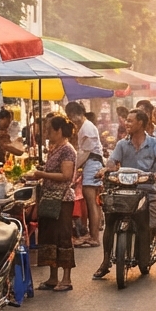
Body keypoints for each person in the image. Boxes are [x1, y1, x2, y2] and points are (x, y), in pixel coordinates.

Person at [94, 108, 156, 282]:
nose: (127, 124)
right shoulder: (122, 144)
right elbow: (112, 161)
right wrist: (106, 169)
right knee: (109, 221)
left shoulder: (154, 143)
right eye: (127, 121)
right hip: (123, 189)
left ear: (141, 123)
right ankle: (105, 261)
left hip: (147, 189)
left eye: (131, 121)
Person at [28, 115, 78, 291]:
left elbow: (65, 175)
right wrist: (42, 171)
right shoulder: (54, 148)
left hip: (62, 199)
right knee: (49, 236)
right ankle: (53, 277)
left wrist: (42, 175)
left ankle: (66, 279)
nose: (47, 133)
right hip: (49, 198)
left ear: (59, 131)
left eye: (50, 129)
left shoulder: (67, 150)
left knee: (62, 237)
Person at [67, 101, 104, 248]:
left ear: (75, 114)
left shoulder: (87, 127)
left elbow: (85, 153)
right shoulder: (84, 127)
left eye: (70, 115)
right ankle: (92, 234)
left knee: (91, 203)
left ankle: (94, 236)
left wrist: (75, 169)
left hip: (93, 164)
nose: (70, 119)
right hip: (91, 164)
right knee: (91, 203)